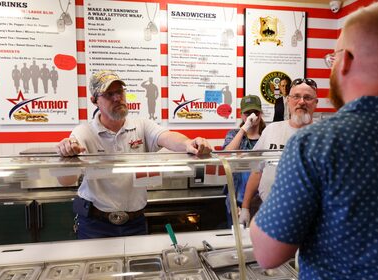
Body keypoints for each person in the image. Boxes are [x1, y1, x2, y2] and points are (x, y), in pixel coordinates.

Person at [250, 3, 378, 280]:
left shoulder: (317, 142)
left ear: (347, 60)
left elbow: (269, 253)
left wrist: (259, 217)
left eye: (333, 57)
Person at [56, 70, 212, 239]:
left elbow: (167, 137)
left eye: (120, 92)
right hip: (95, 224)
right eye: (109, 94)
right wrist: (68, 152)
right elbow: (65, 181)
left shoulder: (141, 125)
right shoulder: (84, 132)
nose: (117, 98)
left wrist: (188, 144)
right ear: (95, 101)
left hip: (135, 222)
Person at [239, 78, 318, 227]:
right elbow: (257, 171)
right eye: (296, 96)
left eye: (307, 97)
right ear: (288, 100)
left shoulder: (324, 135)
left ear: (315, 103)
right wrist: (245, 207)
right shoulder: (271, 130)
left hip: (311, 217)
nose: (301, 102)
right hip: (269, 212)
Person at [222, 95, 266, 227]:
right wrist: (243, 129)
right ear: (241, 115)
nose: (252, 116)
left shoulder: (267, 134)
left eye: (255, 112)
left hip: (262, 200)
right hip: (238, 199)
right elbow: (226, 155)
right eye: (247, 113)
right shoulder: (234, 134)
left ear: (260, 114)